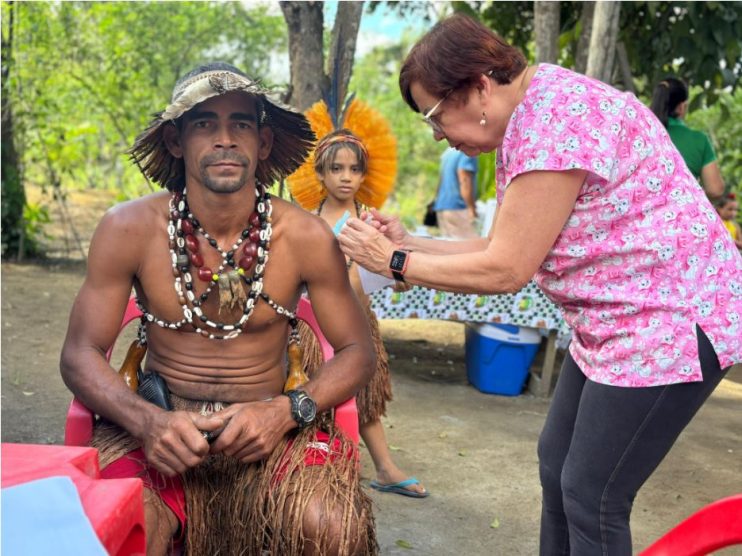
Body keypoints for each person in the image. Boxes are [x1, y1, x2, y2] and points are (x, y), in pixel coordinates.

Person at [337, 14, 742, 556]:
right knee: (557, 463)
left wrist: (395, 262)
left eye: (436, 118)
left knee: (592, 492)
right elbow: (501, 244)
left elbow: (507, 270)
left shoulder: (554, 121)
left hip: (669, 320)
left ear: (479, 85)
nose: (441, 138)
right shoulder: (533, 114)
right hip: (618, 319)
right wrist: (409, 242)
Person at [60, 62, 378, 555]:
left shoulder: (306, 237)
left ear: (264, 143)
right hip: (158, 423)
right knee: (125, 526)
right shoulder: (128, 228)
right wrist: (147, 423)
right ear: (175, 141)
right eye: (204, 123)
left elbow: (358, 351)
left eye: (241, 124)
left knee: (333, 531)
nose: (224, 139)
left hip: (274, 427)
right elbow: (80, 353)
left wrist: (286, 411)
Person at [287, 104, 428, 498]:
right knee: (309, 394)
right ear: (319, 174)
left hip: (358, 324)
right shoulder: (305, 219)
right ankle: (311, 468)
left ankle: (384, 467)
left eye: (354, 170)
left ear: (365, 175)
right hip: (311, 326)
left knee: (363, 398)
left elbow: (400, 276)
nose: (346, 177)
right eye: (336, 169)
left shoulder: (373, 221)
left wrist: (399, 274)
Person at [650, 77, 725, 200]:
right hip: (681, 214)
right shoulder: (699, 140)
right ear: (681, 107)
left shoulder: (640, 133)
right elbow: (715, 189)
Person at [434, 146, 479, 238]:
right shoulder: (468, 151)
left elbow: (440, 180)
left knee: (447, 247)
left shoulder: (447, 152)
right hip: (458, 207)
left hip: (442, 207)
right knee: (467, 246)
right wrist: (471, 208)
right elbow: (464, 179)